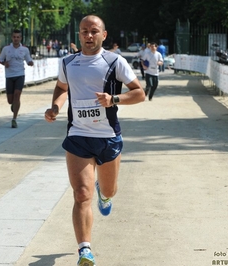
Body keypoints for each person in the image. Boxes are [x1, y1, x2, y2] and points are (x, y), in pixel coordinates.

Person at [44, 15, 144, 266]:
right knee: (81, 194)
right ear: (79, 35)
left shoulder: (114, 61)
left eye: (94, 31)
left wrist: (114, 99)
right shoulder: (68, 63)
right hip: (78, 136)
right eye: (84, 31)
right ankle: (85, 250)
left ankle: (105, 194)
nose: (89, 36)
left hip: (108, 137)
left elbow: (139, 93)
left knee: (108, 190)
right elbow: (61, 88)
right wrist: (55, 107)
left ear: (104, 35)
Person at [0, 29, 34, 128]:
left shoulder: (25, 50)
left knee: (17, 95)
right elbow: (0, 59)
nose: (16, 39)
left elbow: (28, 60)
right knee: (10, 100)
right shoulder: (6, 49)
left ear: (21, 38)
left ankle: (14, 119)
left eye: (18, 37)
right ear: (11, 38)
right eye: (14, 37)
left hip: (20, 74)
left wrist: (30, 63)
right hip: (9, 76)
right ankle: (13, 105)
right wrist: (4, 63)